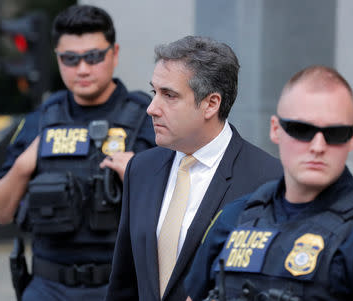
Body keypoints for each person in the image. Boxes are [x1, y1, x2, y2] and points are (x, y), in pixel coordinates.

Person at [185, 65, 353, 300]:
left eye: (335, 134)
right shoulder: (234, 218)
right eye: (301, 129)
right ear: (276, 129)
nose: (318, 146)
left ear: (352, 138)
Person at [0, 5, 155, 301]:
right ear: (58, 59)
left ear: (114, 54)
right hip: (47, 287)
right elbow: (0, 212)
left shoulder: (148, 118)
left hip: (120, 286)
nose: (83, 69)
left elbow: (183, 208)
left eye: (93, 56)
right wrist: (25, 165)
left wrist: (142, 175)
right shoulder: (40, 120)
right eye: (70, 59)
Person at [105, 35, 283, 301]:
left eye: (169, 95)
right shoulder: (141, 169)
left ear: (211, 104)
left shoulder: (268, 180)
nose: (152, 108)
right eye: (155, 92)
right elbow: (124, 283)